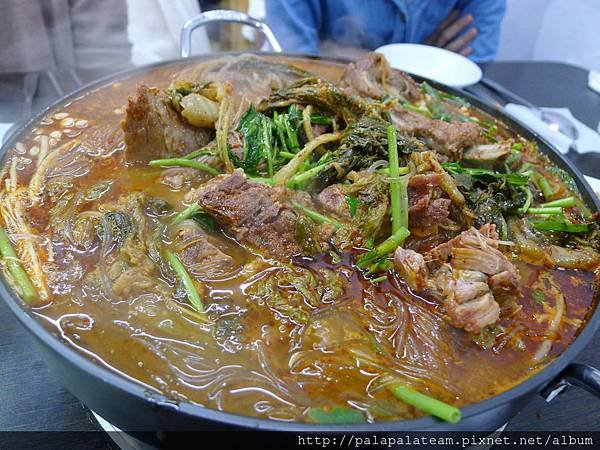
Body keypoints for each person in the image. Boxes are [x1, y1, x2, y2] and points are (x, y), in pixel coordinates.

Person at [265, 0, 506, 63]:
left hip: (436, 111)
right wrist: (422, 61)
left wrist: (333, 49)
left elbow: (474, 58)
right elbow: (297, 59)